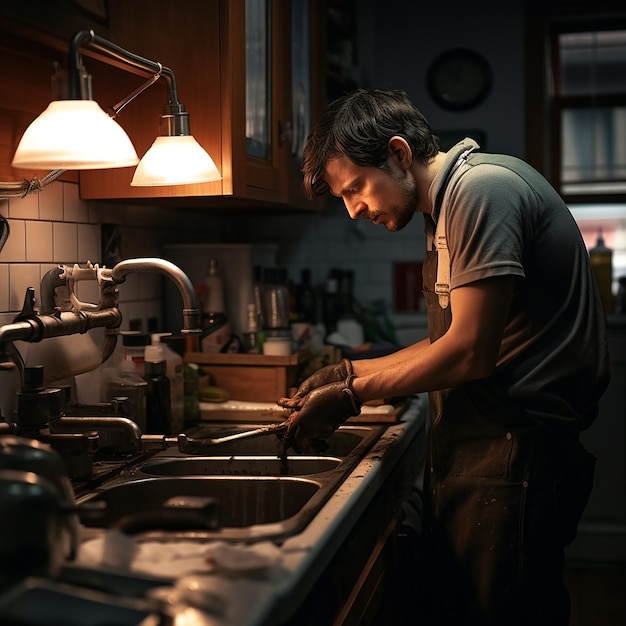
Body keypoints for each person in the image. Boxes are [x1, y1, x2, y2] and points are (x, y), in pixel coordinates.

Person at [278, 88, 610, 626]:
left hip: (518, 447)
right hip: (488, 440)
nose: (354, 209)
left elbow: (472, 354)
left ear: (399, 153)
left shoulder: (482, 191)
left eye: (357, 187)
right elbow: (451, 339)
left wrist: (351, 394)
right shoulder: (447, 206)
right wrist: (350, 370)